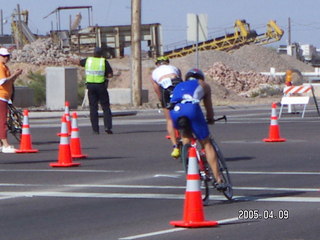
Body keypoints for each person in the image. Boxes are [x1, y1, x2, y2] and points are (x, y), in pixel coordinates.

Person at [169, 68, 226, 190]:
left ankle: (189, 163)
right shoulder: (203, 84)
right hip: (191, 108)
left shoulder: (179, 85)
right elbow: (208, 106)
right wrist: (210, 118)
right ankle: (218, 179)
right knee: (206, 143)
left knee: (186, 137)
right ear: (201, 77)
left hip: (174, 111)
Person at [151, 56, 182, 158]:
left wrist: (163, 102)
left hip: (165, 87)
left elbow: (157, 90)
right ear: (168, 62)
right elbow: (181, 80)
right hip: (177, 83)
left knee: (169, 119)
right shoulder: (175, 68)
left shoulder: (155, 72)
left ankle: (175, 147)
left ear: (157, 64)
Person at [80, 47, 113, 134]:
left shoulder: (88, 60)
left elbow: (79, 62)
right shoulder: (103, 62)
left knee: (93, 108)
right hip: (101, 86)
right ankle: (107, 127)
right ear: (101, 54)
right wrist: (105, 76)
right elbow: (110, 74)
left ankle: (95, 129)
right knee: (105, 107)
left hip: (90, 86)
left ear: (93, 53)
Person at [0, 48, 23, 153]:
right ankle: (5, 145)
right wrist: (14, 75)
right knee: (2, 121)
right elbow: (3, 81)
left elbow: (9, 81)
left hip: (5, 96)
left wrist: (15, 75)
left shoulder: (5, 67)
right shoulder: (0, 66)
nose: (6, 58)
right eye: (4, 56)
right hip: (1, 96)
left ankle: (2, 144)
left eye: (7, 56)